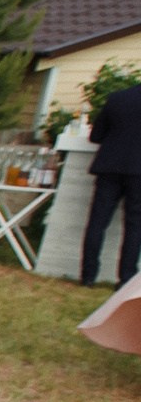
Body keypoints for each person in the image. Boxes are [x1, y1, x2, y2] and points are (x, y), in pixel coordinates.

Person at [83, 80, 141, 287]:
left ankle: (88, 276)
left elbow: (96, 135)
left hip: (109, 166)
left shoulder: (117, 98)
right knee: (135, 226)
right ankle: (126, 278)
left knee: (97, 222)